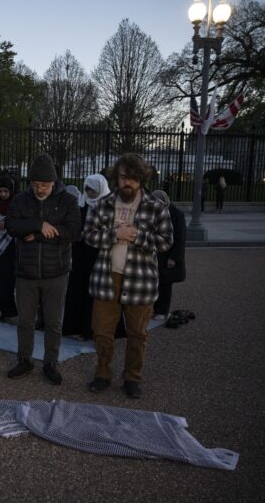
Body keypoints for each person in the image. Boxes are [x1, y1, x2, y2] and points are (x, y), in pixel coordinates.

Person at [84, 153, 173, 399]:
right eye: (123, 177)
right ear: (116, 177)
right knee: (102, 331)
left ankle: (132, 378)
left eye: (133, 178)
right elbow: (89, 234)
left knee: (137, 334)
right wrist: (115, 234)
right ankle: (102, 374)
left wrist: (137, 236)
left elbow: (166, 241)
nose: (127, 183)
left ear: (141, 179)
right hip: (106, 277)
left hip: (141, 281)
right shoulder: (104, 204)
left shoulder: (155, 207)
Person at [5, 154, 81, 385]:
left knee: (53, 321)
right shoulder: (20, 200)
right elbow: (11, 226)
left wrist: (37, 235)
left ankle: (50, 362)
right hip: (26, 271)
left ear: (54, 182)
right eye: (36, 184)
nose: (40, 189)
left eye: (44, 185)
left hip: (56, 271)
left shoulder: (67, 201)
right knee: (26, 321)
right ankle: (25, 359)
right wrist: (39, 224)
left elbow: (73, 232)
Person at [62, 174, 111, 340]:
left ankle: (90, 330)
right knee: (77, 290)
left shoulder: (107, 207)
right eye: (88, 189)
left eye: (93, 190)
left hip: (97, 255)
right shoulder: (81, 205)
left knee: (94, 293)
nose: (90, 193)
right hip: (80, 253)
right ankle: (74, 328)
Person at [0, 175, 18, 322]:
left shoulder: (15, 204)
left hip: (8, 245)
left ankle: (7, 309)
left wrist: (6, 224)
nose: (3, 194)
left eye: (6, 191)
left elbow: (17, 221)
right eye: (1, 191)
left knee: (7, 278)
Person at [152, 190, 186, 319]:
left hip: (168, 255)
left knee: (165, 284)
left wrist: (174, 257)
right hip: (158, 253)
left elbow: (180, 238)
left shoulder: (177, 214)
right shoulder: (158, 212)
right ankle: (156, 309)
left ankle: (162, 311)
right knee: (156, 282)